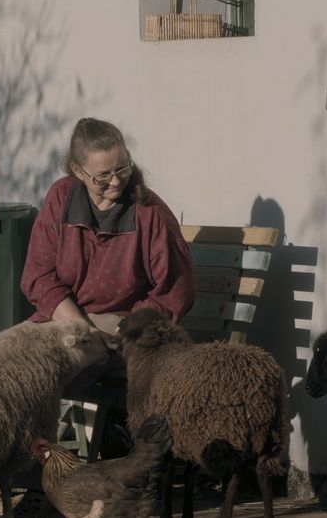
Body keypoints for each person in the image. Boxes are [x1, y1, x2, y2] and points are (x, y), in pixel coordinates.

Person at [21, 118, 196, 391]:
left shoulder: (150, 213)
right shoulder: (60, 197)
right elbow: (39, 275)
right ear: (77, 171)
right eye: (103, 175)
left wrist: (126, 331)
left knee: (41, 373)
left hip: (120, 324)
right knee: (3, 361)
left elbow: (174, 289)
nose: (116, 182)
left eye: (122, 168)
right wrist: (82, 328)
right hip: (66, 318)